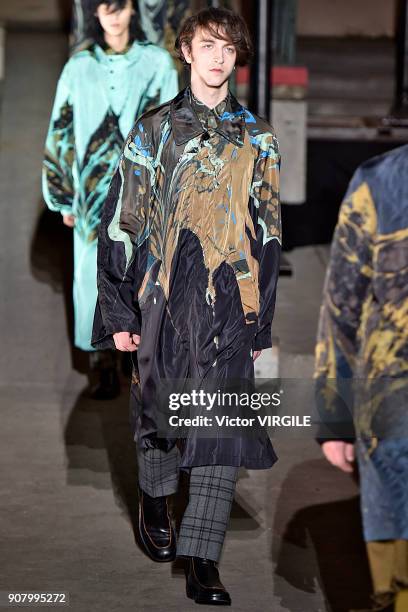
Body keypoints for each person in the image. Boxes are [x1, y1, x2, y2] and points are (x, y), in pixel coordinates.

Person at [92, 6, 281, 605]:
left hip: (230, 303)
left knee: (221, 429)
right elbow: (123, 224)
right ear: (187, 50)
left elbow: (269, 234)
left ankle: (203, 560)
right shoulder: (153, 131)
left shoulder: (260, 139)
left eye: (229, 47)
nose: (219, 56)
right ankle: (154, 493)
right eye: (208, 44)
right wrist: (120, 313)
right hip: (163, 298)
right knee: (160, 414)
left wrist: (261, 322)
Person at [42, 0, 178, 399]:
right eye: (105, 7)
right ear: (95, 13)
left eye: (120, 6)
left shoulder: (157, 65)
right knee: (89, 278)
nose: (114, 15)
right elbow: (60, 131)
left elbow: (171, 129)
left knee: (139, 271)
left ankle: (133, 355)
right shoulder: (79, 68)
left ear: (132, 10)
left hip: (143, 191)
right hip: (91, 195)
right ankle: (102, 362)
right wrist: (63, 197)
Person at [315, 146, 408, 612]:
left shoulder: (381, 179)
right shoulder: (381, 181)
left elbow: (342, 302)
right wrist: (335, 416)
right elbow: (343, 302)